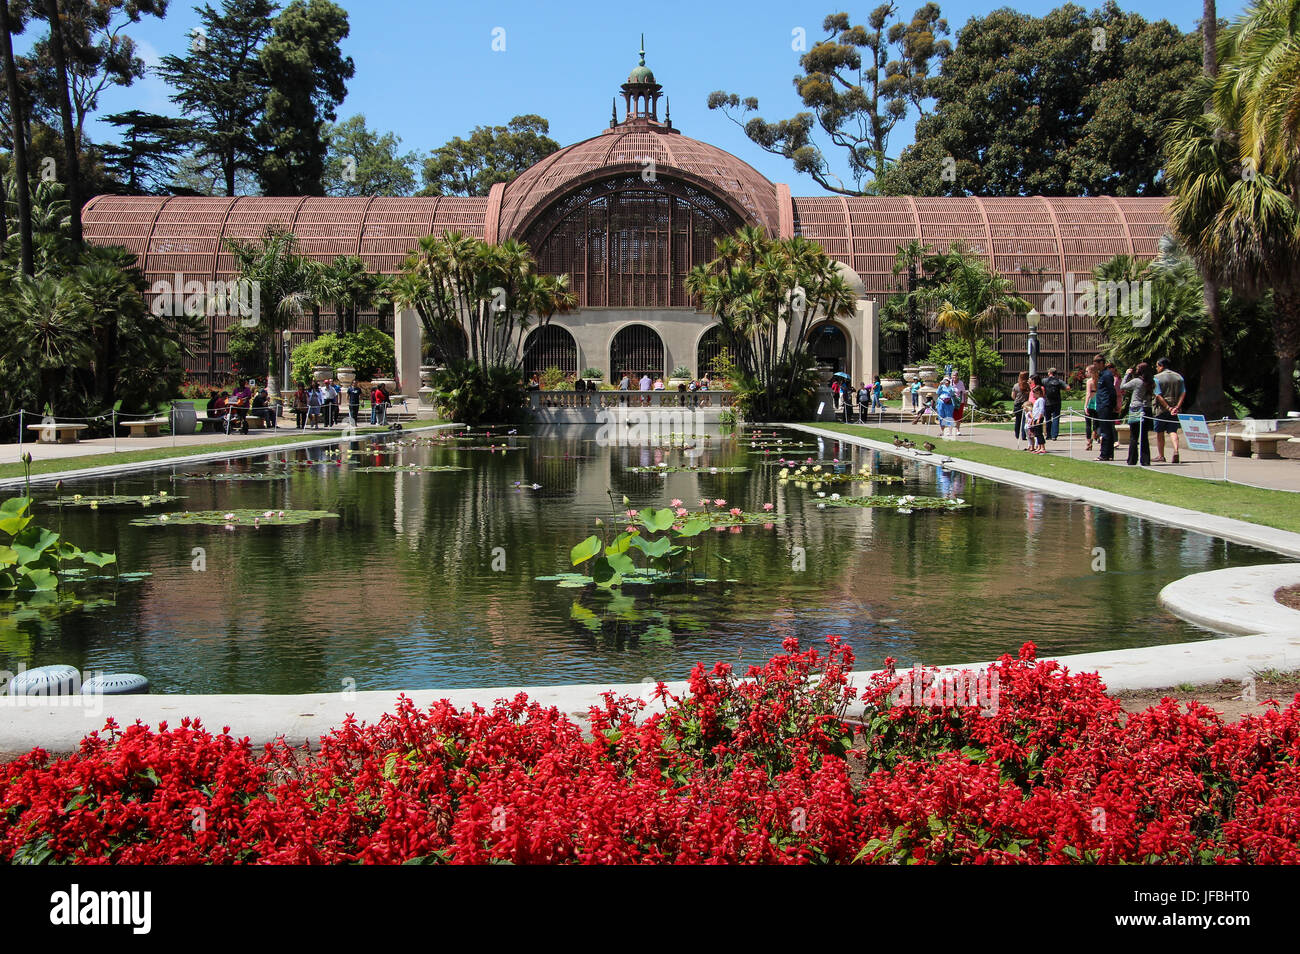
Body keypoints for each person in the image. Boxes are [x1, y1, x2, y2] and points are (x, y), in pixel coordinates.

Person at [1120, 362, 1154, 466]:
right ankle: (1145, 460)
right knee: (1144, 436)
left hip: (1136, 409)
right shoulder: (1151, 382)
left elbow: (1123, 386)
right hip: (1147, 408)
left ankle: (1132, 459)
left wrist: (1127, 375)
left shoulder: (1136, 381)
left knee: (1134, 436)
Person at [1153, 357, 1186, 463]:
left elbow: (1158, 395)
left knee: (1159, 432)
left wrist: (1167, 407)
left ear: (1161, 366)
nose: (1156, 368)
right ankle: (1176, 450)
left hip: (1161, 409)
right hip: (1175, 408)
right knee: (1173, 431)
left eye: (1157, 366)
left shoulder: (1157, 378)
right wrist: (1176, 406)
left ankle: (1161, 455)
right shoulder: (1179, 377)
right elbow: (1183, 392)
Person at [1093, 355, 1118, 461]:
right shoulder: (1101, 374)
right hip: (1101, 404)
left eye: (1096, 363)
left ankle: (1105, 454)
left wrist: (1113, 405)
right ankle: (1109, 454)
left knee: (1105, 431)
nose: (1095, 365)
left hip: (1105, 405)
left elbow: (1111, 391)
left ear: (1101, 363)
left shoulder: (1107, 375)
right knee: (1106, 430)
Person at [1042, 367, 1066, 441]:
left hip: (1047, 402)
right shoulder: (1059, 381)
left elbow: (1041, 388)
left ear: (1049, 373)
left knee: (1048, 419)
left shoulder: (1044, 381)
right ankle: (1054, 435)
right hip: (1057, 402)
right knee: (1056, 418)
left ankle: (1048, 435)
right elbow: (1067, 387)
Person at [1026, 375, 1046, 453]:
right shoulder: (1038, 400)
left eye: (1034, 394)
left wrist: (1038, 418)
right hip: (1035, 418)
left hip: (1039, 418)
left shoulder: (1041, 400)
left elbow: (1041, 410)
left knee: (1039, 433)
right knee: (1037, 433)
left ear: (1038, 393)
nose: (1033, 395)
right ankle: (1039, 447)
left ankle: (1042, 447)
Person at [1083, 364, 1099, 452]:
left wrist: (1085, 406)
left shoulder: (1089, 381)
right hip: (1098, 402)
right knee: (1096, 422)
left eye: (1087, 371)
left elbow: (1088, 394)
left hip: (1091, 403)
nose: (1086, 373)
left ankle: (1089, 442)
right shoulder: (1099, 380)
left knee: (1088, 424)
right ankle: (1095, 434)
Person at [1011, 371, 1029, 442]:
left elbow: (1013, 395)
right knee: (1024, 420)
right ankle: (1024, 435)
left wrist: (1016, 399)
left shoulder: (1016, 385)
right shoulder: (1028, 386)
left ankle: (1017, 434)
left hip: (1017, 404)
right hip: (1025, 404)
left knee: (1018, 420)